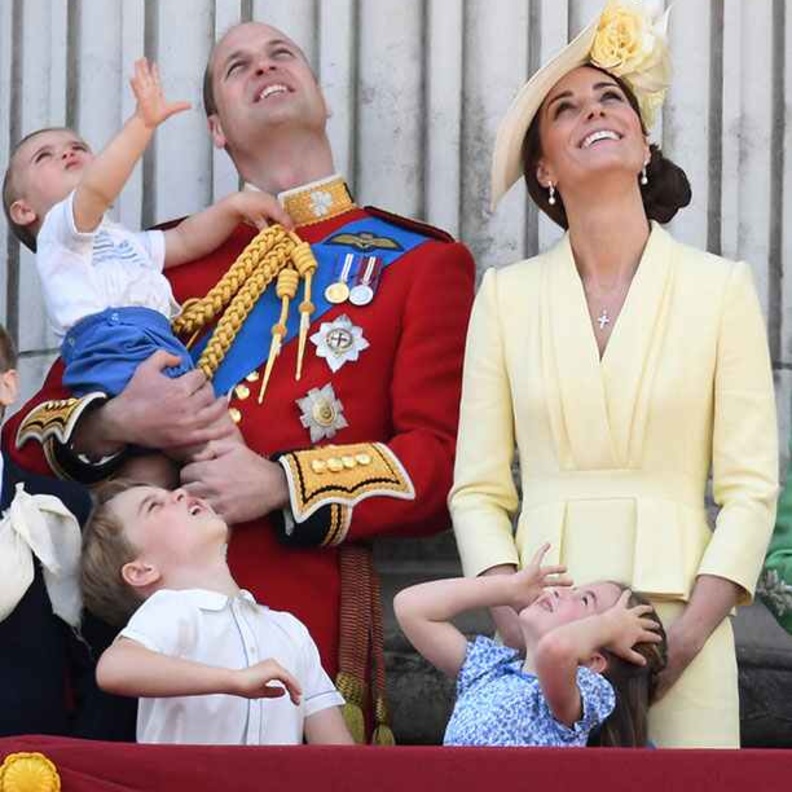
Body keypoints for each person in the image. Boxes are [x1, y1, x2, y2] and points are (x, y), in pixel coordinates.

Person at [4, 21, 475, 739]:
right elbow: (23, 435)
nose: (264, 66)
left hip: (297, 635)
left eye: (282, 54)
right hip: (138, 639)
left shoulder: (419, 261)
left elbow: (440, 466)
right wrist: (118, 421)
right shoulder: (151, 257)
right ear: (217, 130)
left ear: (320, 95)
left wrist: (281, 483)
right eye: (237, 66)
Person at [449, 0, 778, 748]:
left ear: (644, 141)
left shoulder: (721, 288)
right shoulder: (504, 297)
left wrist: (685, 640)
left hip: (681, 619)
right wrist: (519, 626)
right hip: (541, 622)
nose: (593, 110)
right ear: (543, 167)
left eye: (610, 97)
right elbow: (477, 489)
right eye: (564, 108)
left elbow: (751, 490)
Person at [81, 479, 352, 745]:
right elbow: (114, 668)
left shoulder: (289, 629)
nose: (179, 492)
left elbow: (338, 755)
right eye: (153, 506)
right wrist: (232, 680)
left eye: (171, 491)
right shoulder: (169, 609)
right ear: (142, 571)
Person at [0, 323, 134, 739]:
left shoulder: (67, 509)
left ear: (7, 386)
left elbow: (104, 668)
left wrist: (73, 764)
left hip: (34, 764)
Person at [395, 544, 666, 747]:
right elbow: (411, 608)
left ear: (594, 661)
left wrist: (608, 627)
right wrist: (508, 588)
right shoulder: (492, 669)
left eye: (585, 600)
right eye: (573, 590)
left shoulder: (584, 691)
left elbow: (554, 650)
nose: (560, 591)